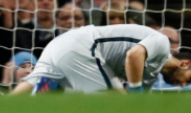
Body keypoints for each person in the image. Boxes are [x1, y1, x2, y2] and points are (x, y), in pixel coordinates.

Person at [12, 24, 191, 94]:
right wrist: (135, 91)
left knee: (28, 86)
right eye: (189, 79)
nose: (183, 85)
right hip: (83, 47)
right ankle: (54, 87)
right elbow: (133, 55)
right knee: (112, 101)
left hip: (62, 47)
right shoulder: (162, 44)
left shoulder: (150, 76)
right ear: (185, 63)